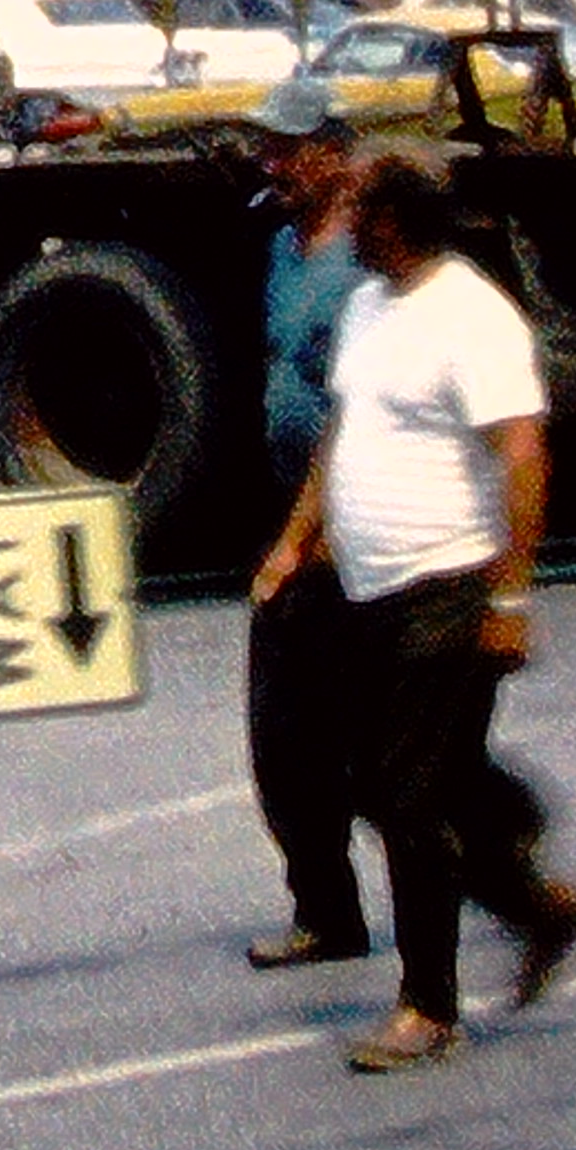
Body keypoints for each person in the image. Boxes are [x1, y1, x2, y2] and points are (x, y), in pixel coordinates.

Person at [250, 148, 576, 1069]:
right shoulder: (369, 307)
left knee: (407, 797)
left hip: (446, 585)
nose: (345, 228)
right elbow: (342, 431)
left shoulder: (472, 316)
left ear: (396, 223)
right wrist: (295, 541)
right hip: (366, 588)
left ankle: (426, 1007)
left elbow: (523, 454)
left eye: (360, 213)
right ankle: (535, 902)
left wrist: (511, 596)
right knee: (384, 782)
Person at [238, 78, 377, 972]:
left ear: (334, 153)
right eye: (268, 148)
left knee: (387, 744)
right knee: (283, 736)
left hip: (354, 524)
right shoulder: (285, 249)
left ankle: (508, 875)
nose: (273, 164)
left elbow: (357, 413)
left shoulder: (370, 258)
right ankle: (325, 909)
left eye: (288, 148)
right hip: (296, 512)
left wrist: (305, 536)